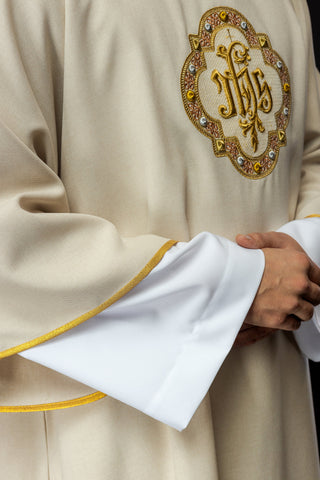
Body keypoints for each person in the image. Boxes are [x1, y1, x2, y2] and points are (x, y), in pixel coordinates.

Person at [0, 0, 320, 478]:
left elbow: (310, 155)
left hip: (274, 393)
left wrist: (303, 256)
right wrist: (229, 287)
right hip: (113, 424)